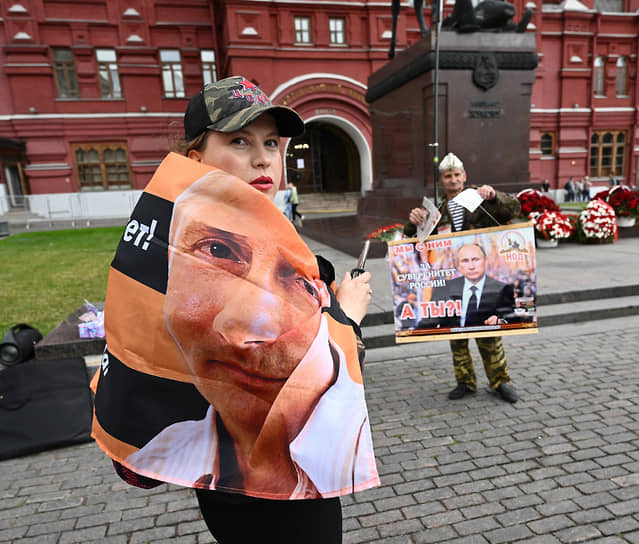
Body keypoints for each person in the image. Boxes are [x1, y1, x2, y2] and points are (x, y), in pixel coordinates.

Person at [93, 76, 378, 544]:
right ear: (195, 160)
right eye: (239, 141)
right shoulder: (202, 246)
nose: (263, 157)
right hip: (270, 491)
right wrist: (346, 314)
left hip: (228, 475)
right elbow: (302, 374)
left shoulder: (190, 234)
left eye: (272, 142)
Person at [403, 152, 520, 403]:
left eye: (457, 175)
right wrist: (412, 223)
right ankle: (465, 381)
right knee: (456, 334)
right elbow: (416, 241)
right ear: (441, 180)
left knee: (489, 332)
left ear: (465, 177)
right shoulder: (435, 211)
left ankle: (500, 381)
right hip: (450, 281)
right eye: (448, 176)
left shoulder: (480, 199)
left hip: (480, 276)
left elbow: (514, 208)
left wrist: (494, 195)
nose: (453, 179)